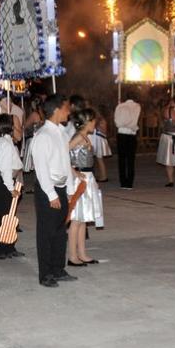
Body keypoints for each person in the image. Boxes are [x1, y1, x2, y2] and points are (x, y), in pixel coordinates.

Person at [30, 95, 76, 288]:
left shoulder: (60, 132)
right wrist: (51, 194)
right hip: (47, 188)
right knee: (47, 232)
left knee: (59, 231)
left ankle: (58, 268)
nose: (68, 112)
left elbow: (66, 163)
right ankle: (46, 273)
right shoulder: (42, 136)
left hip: (61, 187)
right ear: (57, 110)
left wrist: (70, 189)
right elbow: (41, 169)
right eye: (66, 108)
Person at [68, 108, 105, 264]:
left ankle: (82, 253)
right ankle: (72, 256)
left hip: (88, 178)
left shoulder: (85, 136)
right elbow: (62, 153)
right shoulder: (78, 137)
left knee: (83, 219)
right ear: (87, 122)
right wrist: (74, 172)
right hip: (80, 180)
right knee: (76, 219)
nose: (95, 124)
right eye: (93, 121)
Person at [0, 114, 25, 260]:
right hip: (5, 182)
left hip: (7, 180)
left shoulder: (6, 141)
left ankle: (9, 246)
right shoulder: (3, 143)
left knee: (9, 217)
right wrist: (11, 188)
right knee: (2, 217)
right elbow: (4, 168)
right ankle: (0, 249)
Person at [114, 91, 141, 189]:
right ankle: (129, 183)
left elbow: (117, 122)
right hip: (131, 134)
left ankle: (123, 182)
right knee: (131, 159)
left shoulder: (120, 106)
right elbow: (134, 121)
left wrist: (123, 124)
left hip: (121, 133)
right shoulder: (137, 106)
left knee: (121, 159)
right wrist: (130, 125)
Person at [91, 109, 112, 182]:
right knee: (99, 159)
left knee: (100, 159)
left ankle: (103, 176)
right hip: (98, 140)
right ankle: (102, 175)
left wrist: (97, 127)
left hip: (99, 140)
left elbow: (104, 131)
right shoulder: (100, 120)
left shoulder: (101, 121)